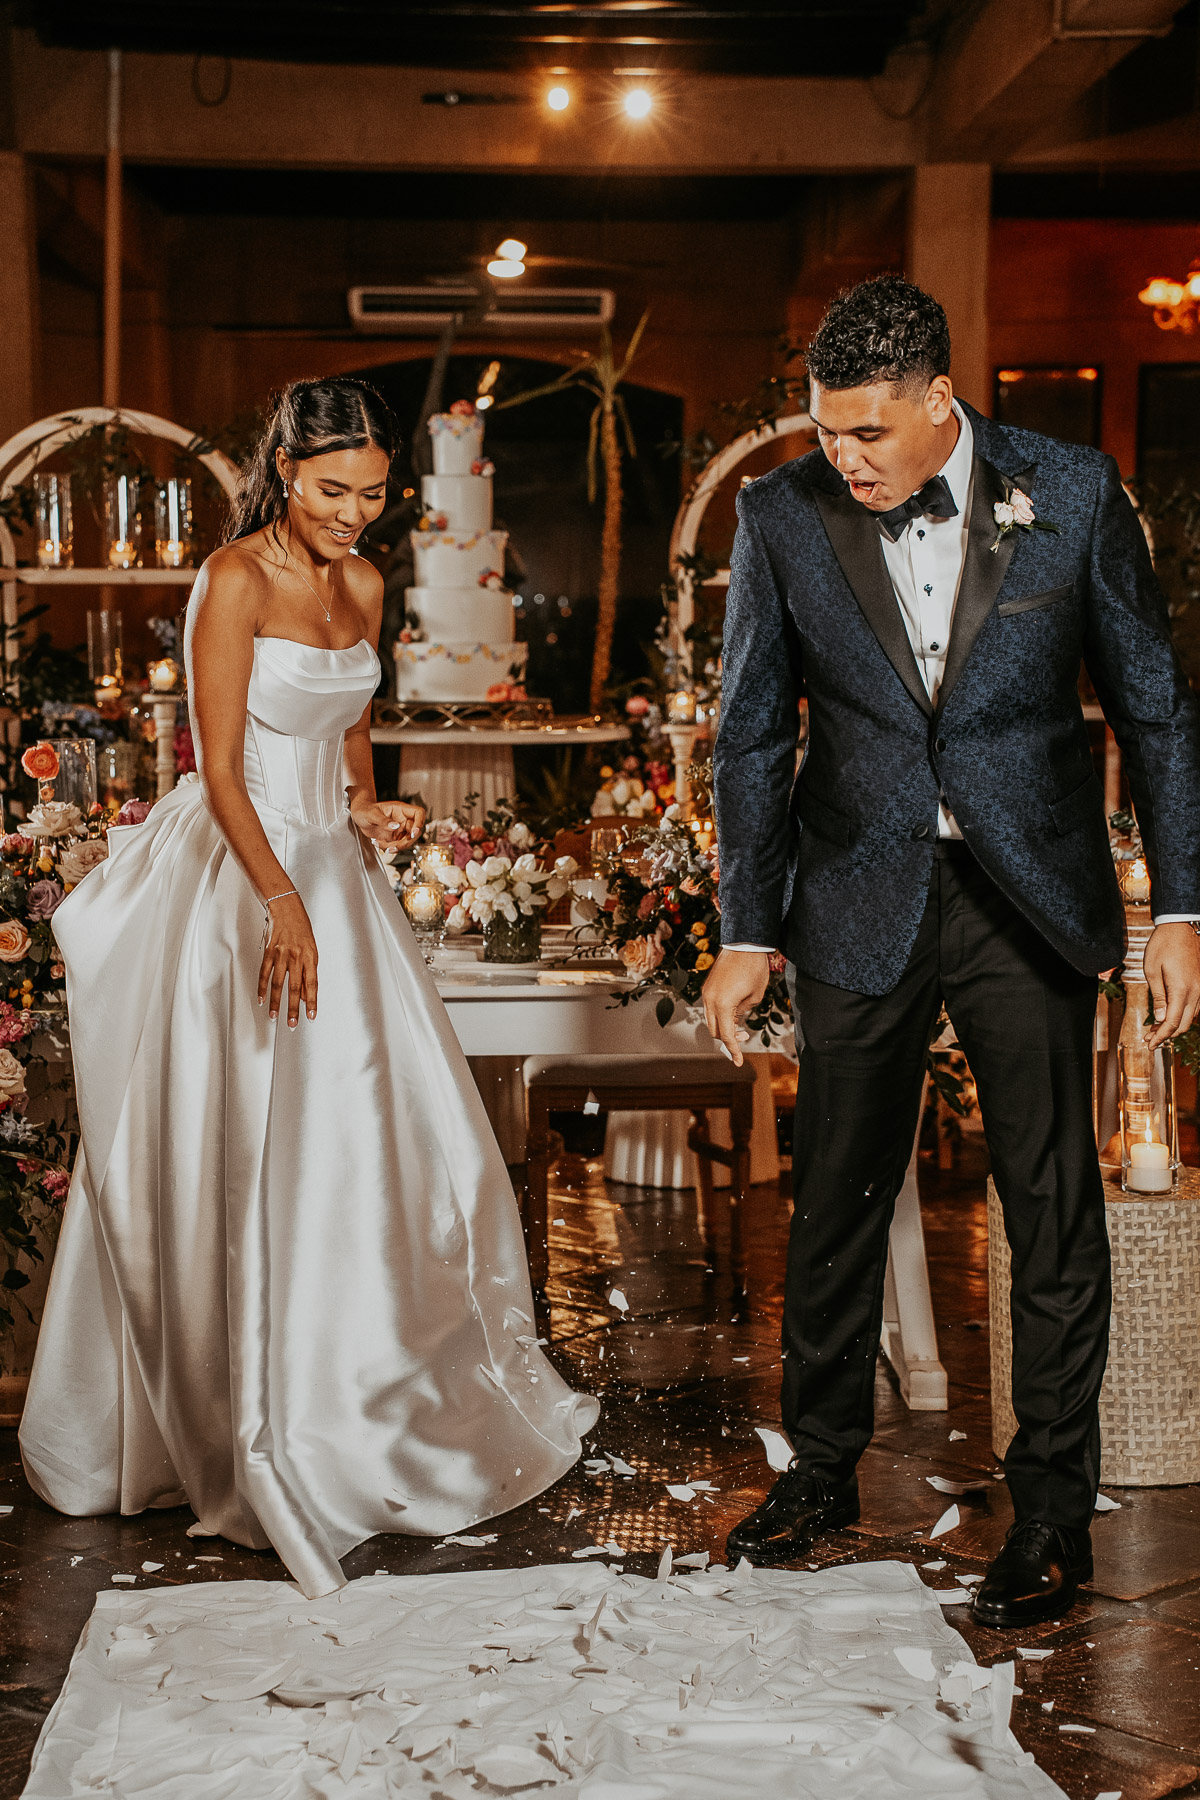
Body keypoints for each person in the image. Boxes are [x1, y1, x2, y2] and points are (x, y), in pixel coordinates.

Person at [20, 377, 597, 1598]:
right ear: (288, 472)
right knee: (251, 1145)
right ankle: (253, 1414)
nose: (355, 516)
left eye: (376, 496)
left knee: (374, 1143)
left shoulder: (370, 583)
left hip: (337, 872)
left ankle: (376, 1395)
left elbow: (348, 732)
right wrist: (282, 901)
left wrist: (369, 802)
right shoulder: (231, 581)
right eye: (334, 492)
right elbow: (216, 767)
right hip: (244, 876)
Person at [704, 276, 1200, 1629]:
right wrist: (747, 929)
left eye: (869, 432)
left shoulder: (1075, 492)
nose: (845, 458)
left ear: (940, 401)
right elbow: (751, 736)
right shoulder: (781, 514)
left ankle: (1049, 1511)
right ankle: (818, 1472)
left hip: (1027, 893)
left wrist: (1183, 916)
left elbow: (1153, 709)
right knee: (835, 1197)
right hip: (855, 887)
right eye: (827, 430)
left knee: (1049, 1205)